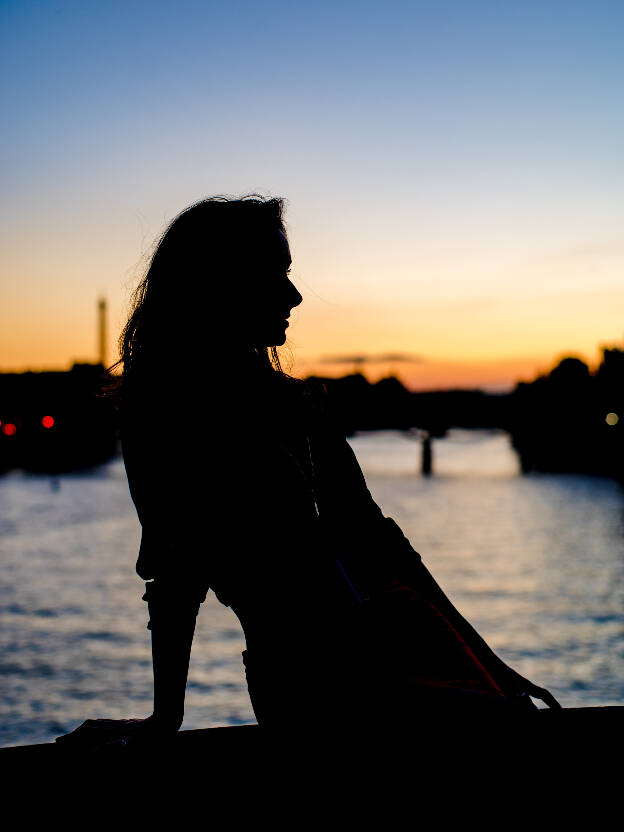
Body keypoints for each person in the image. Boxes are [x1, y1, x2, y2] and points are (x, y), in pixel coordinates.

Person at [56, 195, 560, 756]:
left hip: (367, 656)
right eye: (274, 275)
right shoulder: (189, 413)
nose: (294, 295)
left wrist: (488, 661)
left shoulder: (269, 408)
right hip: (336, 678)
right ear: (219, 284)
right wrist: (164, 717)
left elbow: (178, 576)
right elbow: (377, 543)